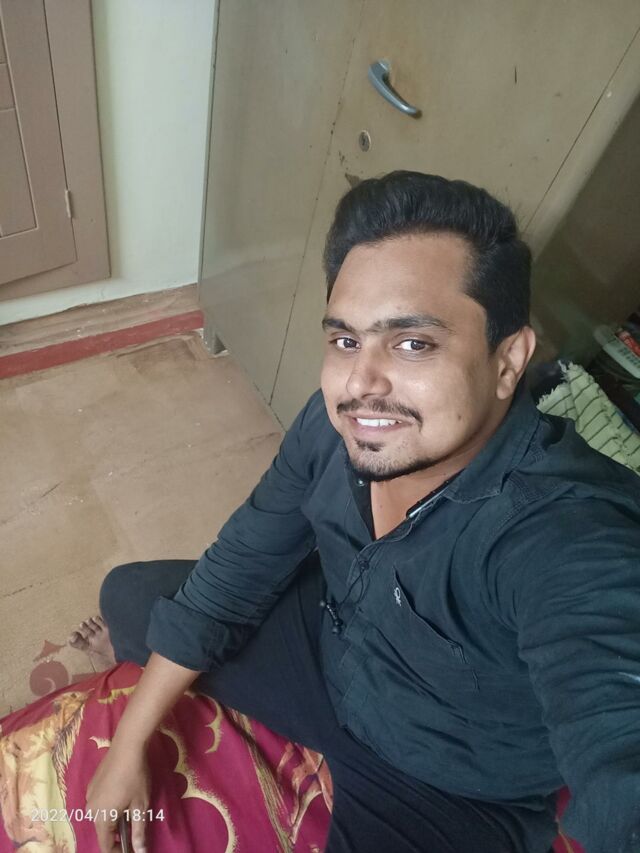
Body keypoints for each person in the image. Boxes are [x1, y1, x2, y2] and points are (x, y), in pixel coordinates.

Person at [69, 171, 640, 853]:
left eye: (413, 343)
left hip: (449, 778)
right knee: (129, 598)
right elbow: (242, 562)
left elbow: (619, 736)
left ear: (508, 360)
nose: (360, 384)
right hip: (329, 652)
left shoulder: (565, 531)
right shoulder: (336, 424)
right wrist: (128, 742)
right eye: (345, 340)